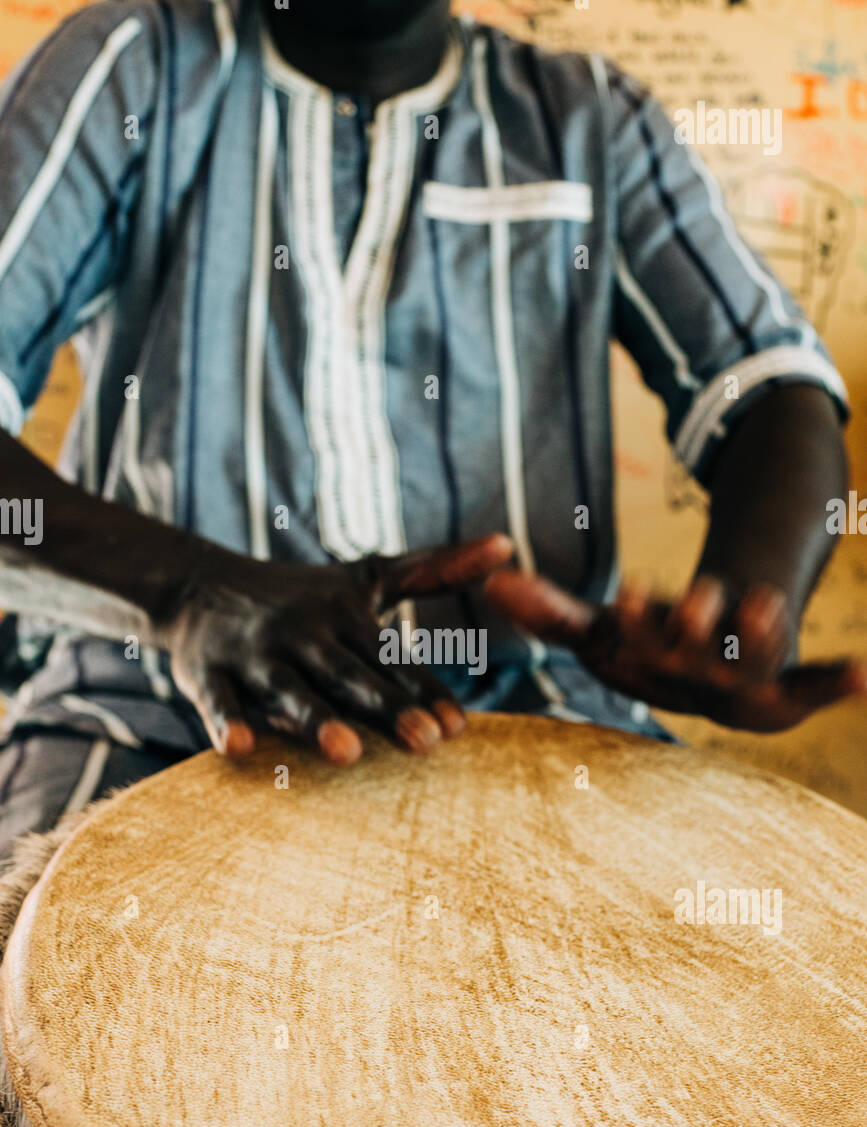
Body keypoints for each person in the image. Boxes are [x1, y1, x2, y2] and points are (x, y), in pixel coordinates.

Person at [0, 0, 862, 863]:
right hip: (147, 706)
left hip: (527, 717)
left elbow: (771, 389)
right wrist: (192, 589)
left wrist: (740, 607)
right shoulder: (132, 65)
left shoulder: (585, 116)